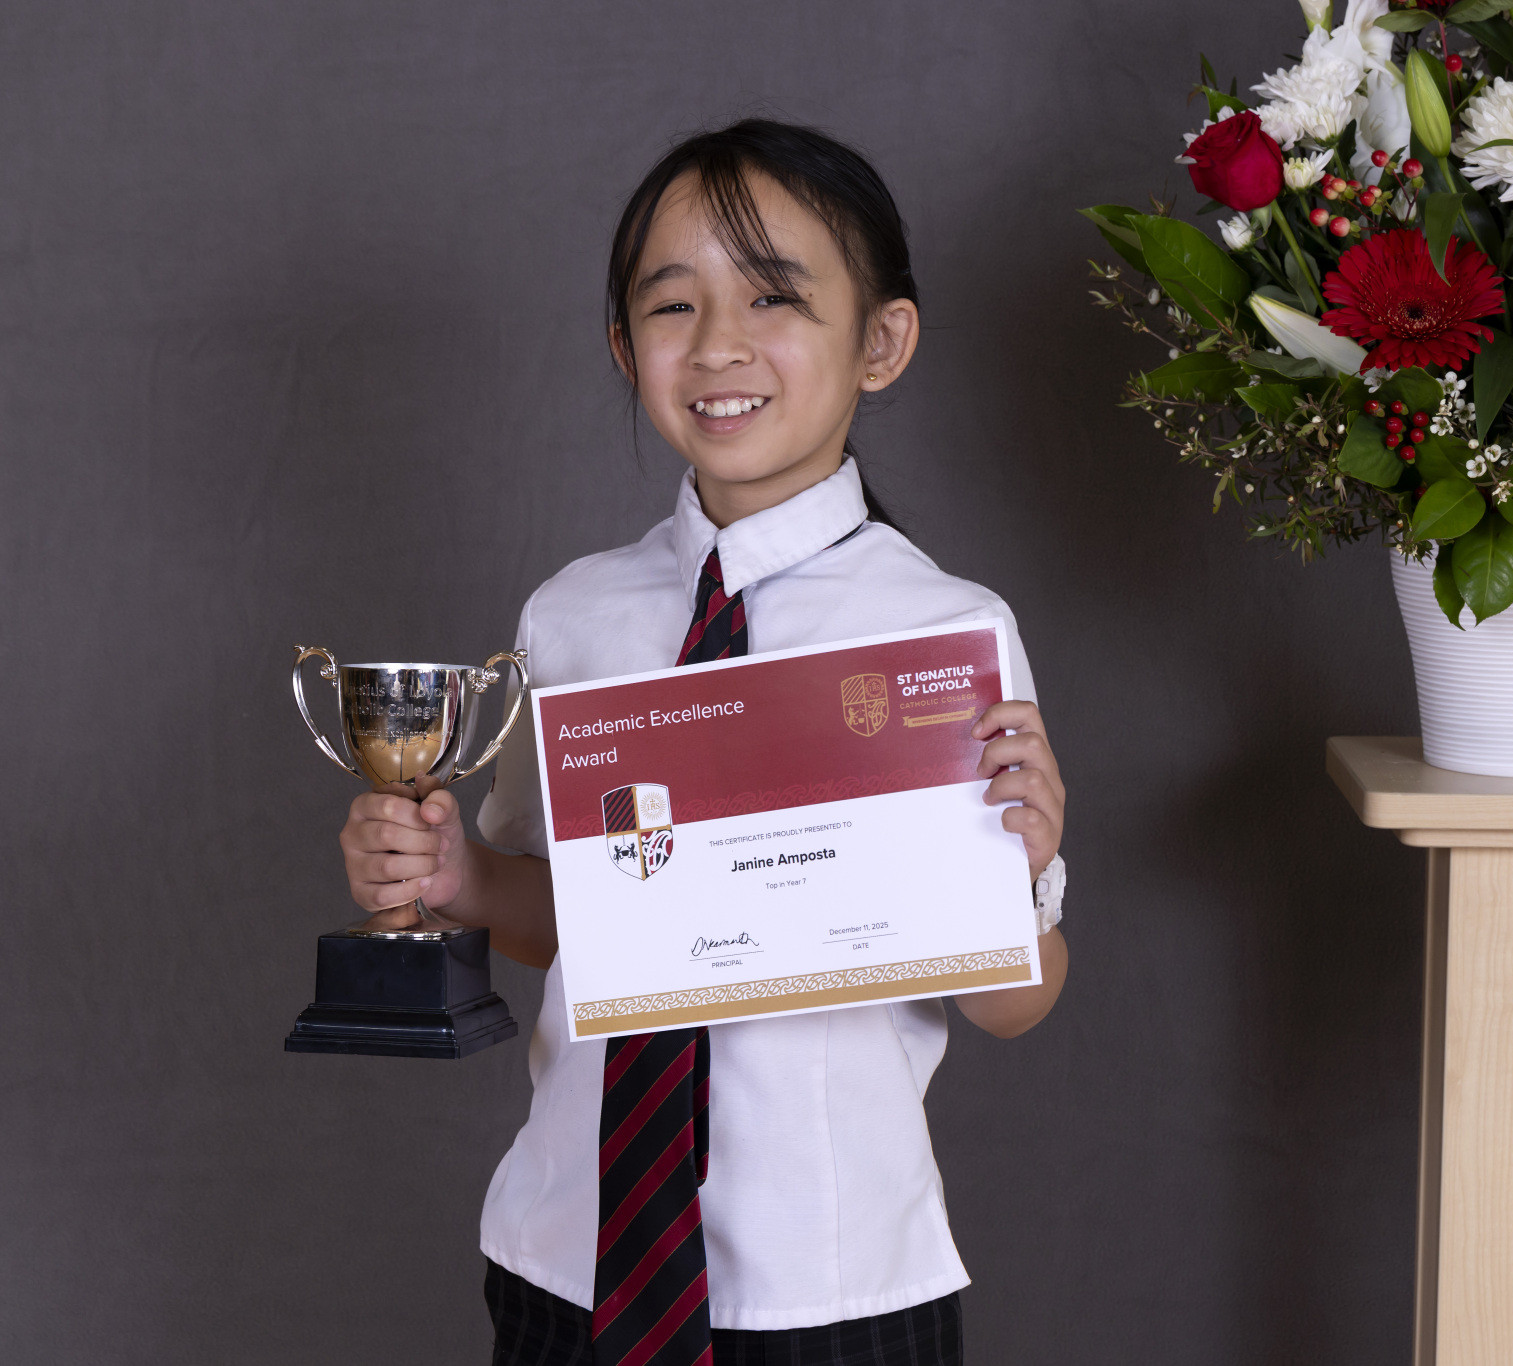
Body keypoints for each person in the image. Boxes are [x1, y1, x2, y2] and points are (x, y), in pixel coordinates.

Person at [336, 118, 1069, 1366]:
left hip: (825, 1288)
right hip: (570, 1259)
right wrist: (456, 879)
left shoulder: (940, 637)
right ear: (625, 348)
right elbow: (571, 919)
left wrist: (1024, 868)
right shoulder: (572, 617)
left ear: (880, 340)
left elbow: (1012, 1002)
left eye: (774, 296)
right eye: (672, 304)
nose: (719, 343)